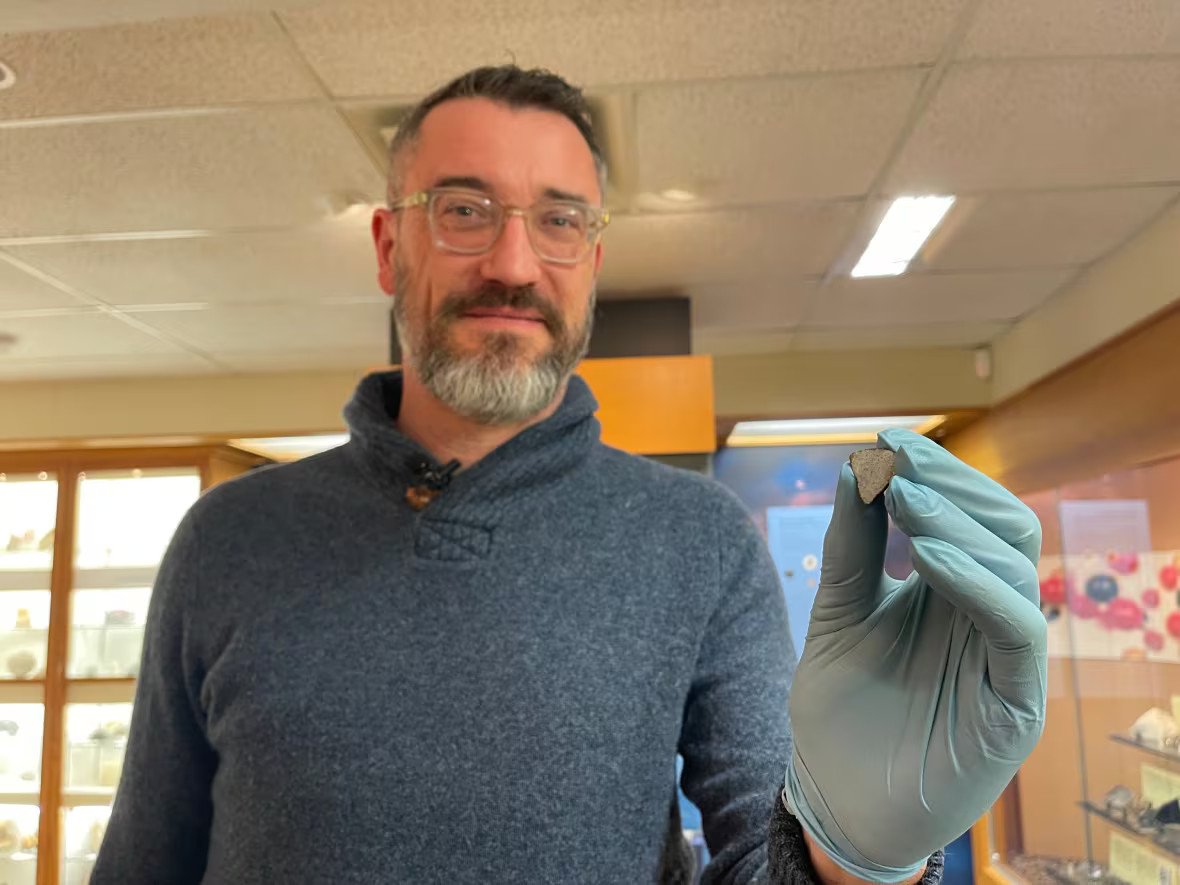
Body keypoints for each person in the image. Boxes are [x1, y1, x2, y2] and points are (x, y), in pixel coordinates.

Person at [92, 66, 1046, 884]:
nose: (514, 263)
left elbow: (755, 860)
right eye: (464, 211)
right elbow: (143, 861)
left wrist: (855, 853)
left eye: (559, 220)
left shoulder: (699, 541)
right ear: (389, 246)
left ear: (591, 258)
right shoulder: (228, 538)